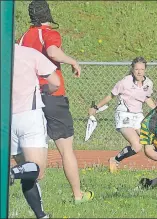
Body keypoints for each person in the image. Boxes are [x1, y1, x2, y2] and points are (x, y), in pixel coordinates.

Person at [17, 0, 94, 204]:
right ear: (48, 15)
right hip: (53, 96)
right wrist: (73, 61)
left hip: (30, 98)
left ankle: (34, 195)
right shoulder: (49, 33)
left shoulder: (24, 36)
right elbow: (52, 51)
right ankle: (78, 195)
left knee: (30, 150)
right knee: (66, 150)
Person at [11, 44, 60, 219]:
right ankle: (11, 173)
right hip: (29, 116)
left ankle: (41, 215)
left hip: (6, 118)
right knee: (34, 171)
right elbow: (55, 82)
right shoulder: (29, 53)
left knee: (26, 169)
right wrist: (44, 91)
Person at [89, 57, 156, 173]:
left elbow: (147, 99)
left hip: (138, 117)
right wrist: (96, 107)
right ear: (132, 69)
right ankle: (115, 160)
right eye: (137, 69)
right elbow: (110, 96)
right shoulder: (125, 82)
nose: (139, 72)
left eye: (142, 69)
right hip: (124, 116)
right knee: (137, 145)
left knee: (152, 141)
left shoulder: (148, 83)